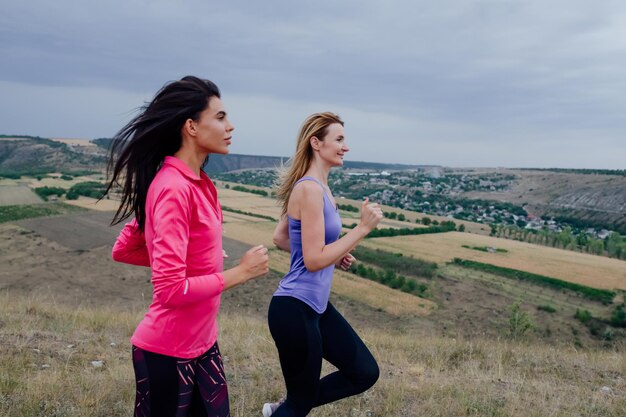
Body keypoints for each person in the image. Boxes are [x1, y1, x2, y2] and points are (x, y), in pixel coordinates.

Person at [105, 76, 269, 417]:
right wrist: (240, 272)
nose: (231, 126)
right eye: (221, 117)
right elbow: (169, 289)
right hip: (168, 352)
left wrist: (193, 260)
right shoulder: (173, 188)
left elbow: (126, 249)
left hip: (202, 344)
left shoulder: (194, 183)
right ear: (191, 126)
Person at [264, 112, 383, 417]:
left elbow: (281, 237)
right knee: (299, 404)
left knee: (364, 371)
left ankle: (286, 408)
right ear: (316, 143)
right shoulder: (309, 190)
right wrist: (362, 229)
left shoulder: (321, 189)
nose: (346, 147)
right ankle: (289, 408)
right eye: (339, 139)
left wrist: (334, 254)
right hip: (294, 308)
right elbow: (314, 259)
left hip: (315, 308)